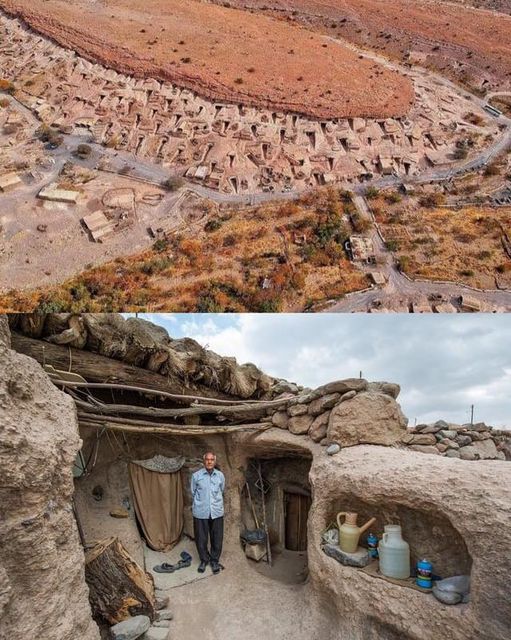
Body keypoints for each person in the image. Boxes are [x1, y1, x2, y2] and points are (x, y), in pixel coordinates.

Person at [191, 451, 225, 574]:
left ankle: (214, 560)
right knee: (201, 538)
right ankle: (204, 559)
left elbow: (222, 490)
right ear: (204, 461)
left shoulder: (220, 476)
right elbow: (193, 492)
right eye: (207, 459)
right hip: (201, 511)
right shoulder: (196, 476)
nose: (209, 461)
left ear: (214, 461)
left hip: (216, 511)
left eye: (212, 460)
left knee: (217, 538)